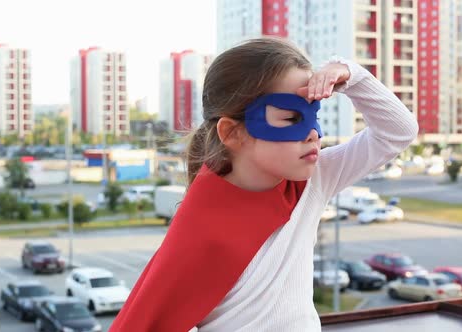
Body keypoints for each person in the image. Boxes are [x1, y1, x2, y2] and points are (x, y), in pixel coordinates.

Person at [109, 37, 418, 332]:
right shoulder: (201, 224)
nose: (314, 133)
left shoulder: (312, 180)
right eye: (291, 119)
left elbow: (398, 132)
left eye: (314, 114)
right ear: (232, 133)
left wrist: (351, 76)